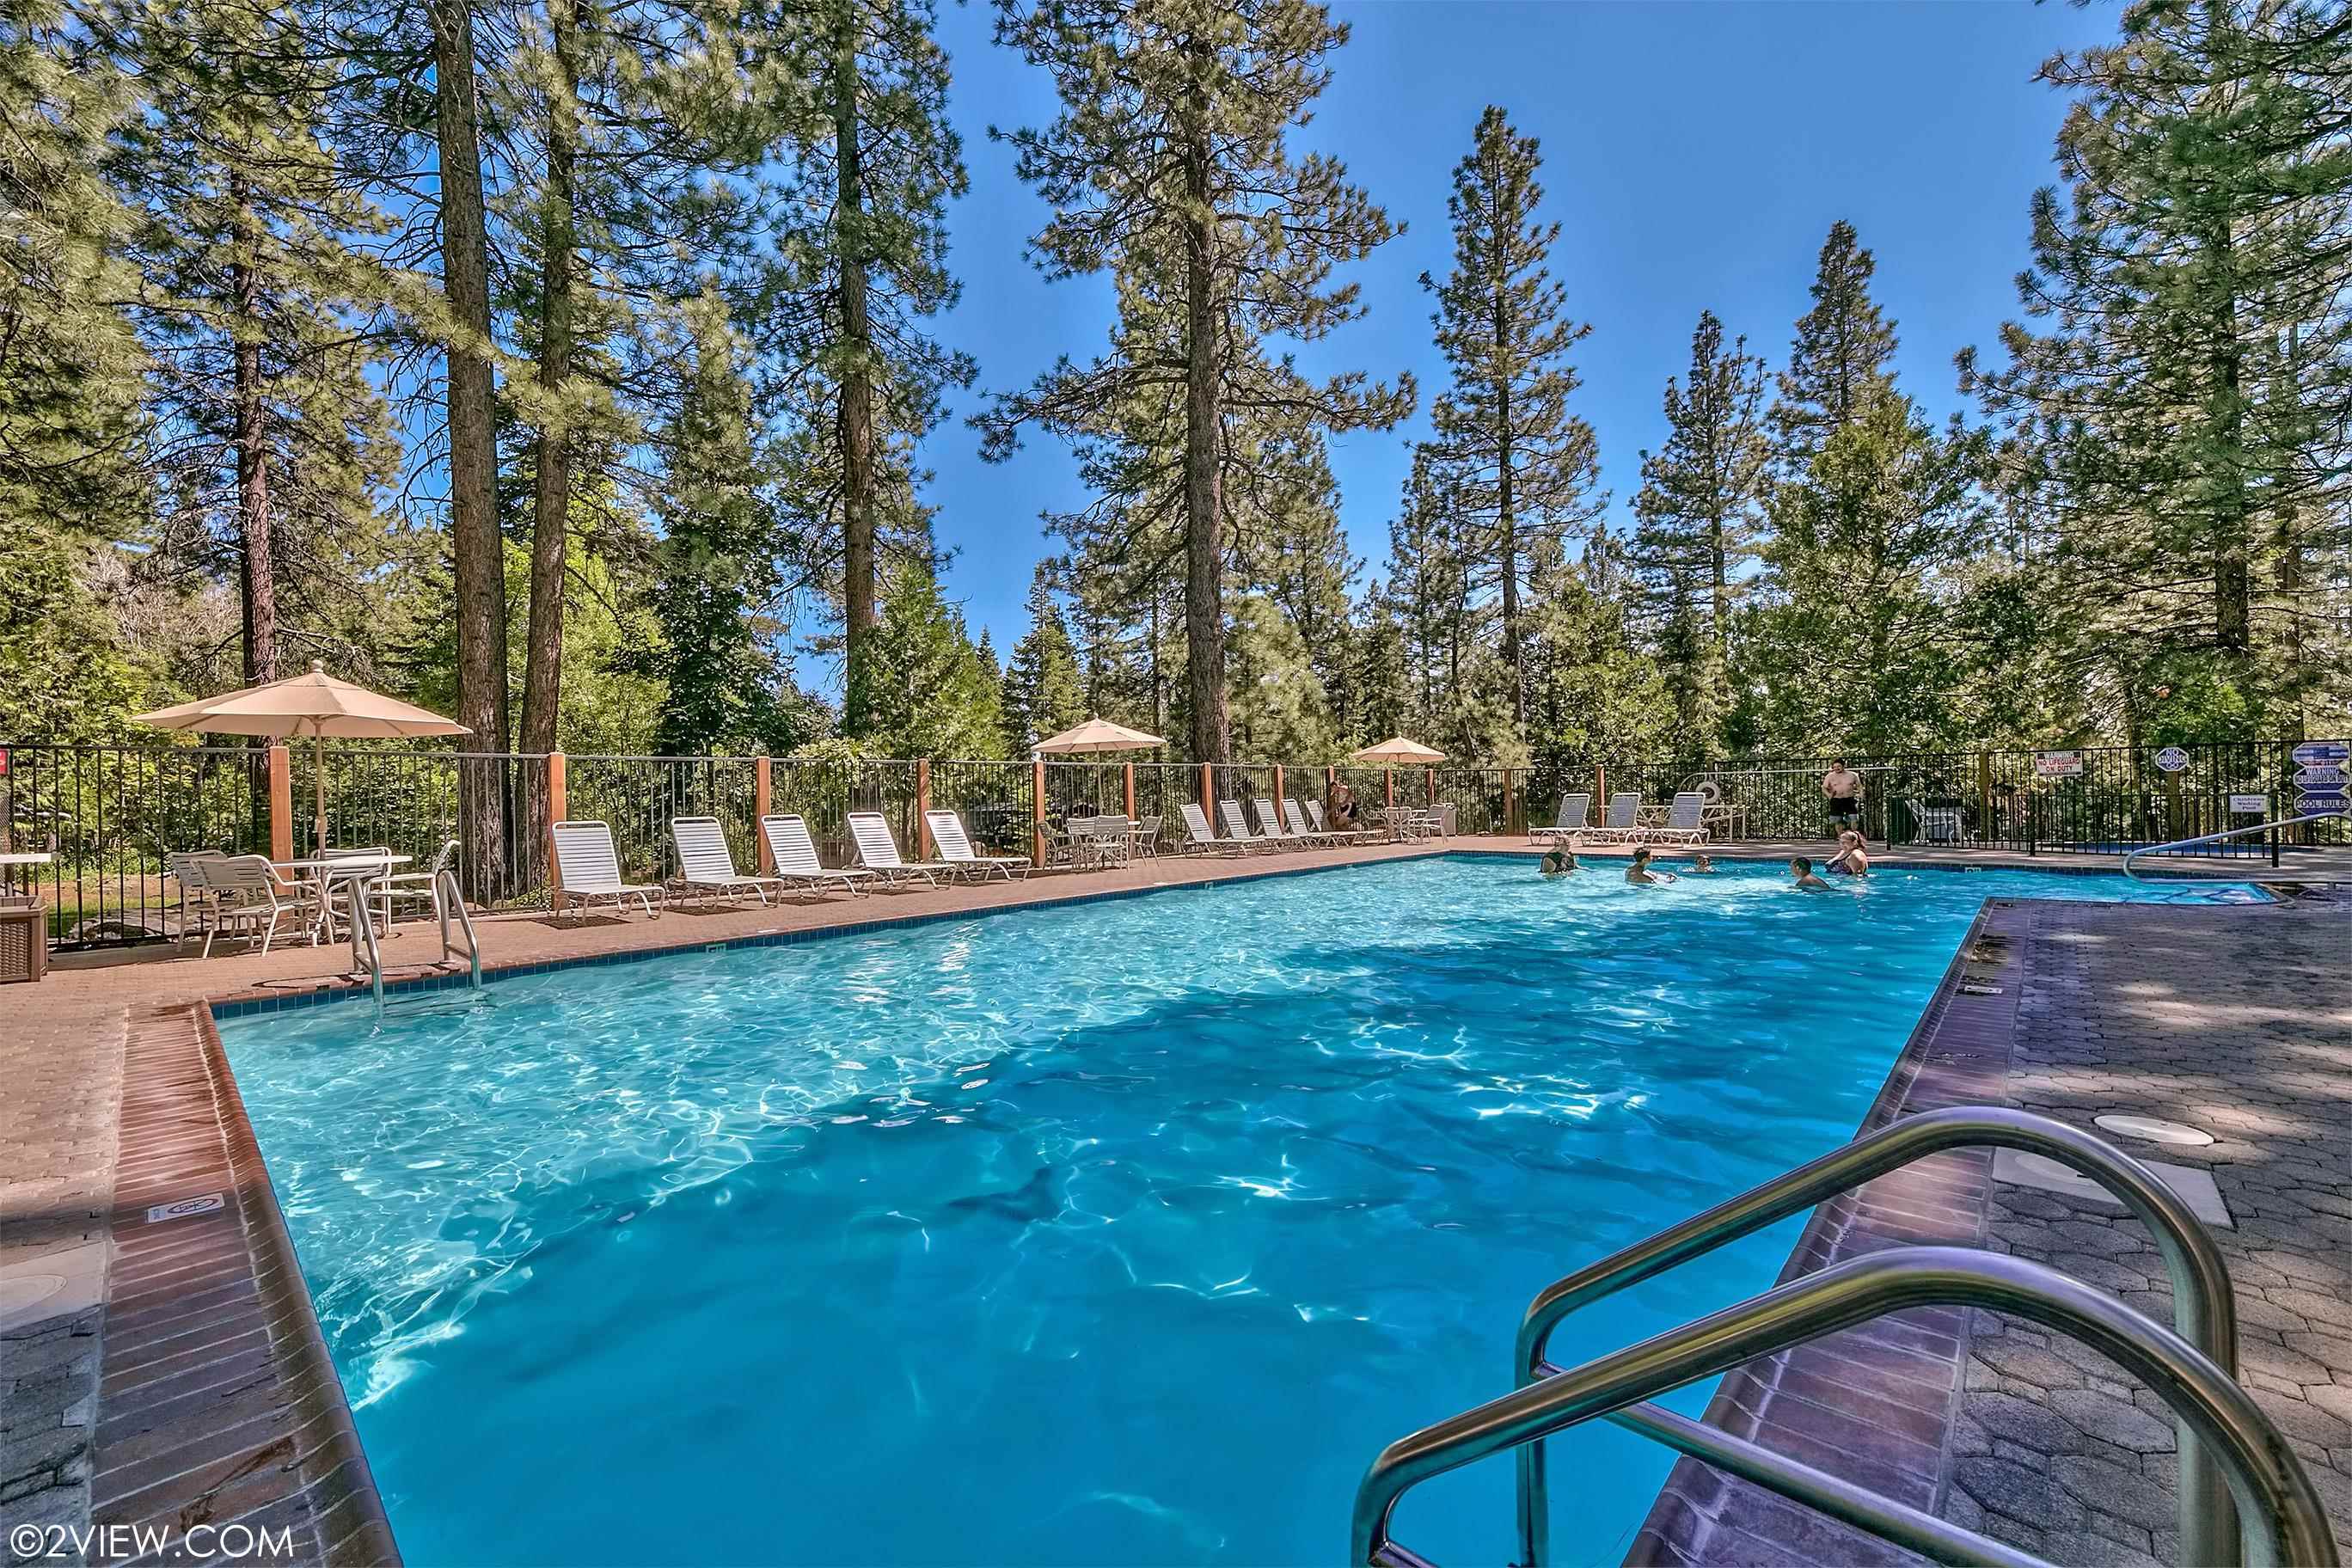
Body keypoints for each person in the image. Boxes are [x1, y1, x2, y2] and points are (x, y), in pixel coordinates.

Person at [1821, 759, 1864, 838]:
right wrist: (1829, 795)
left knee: (1854, 818)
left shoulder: (1852, 775)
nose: (1836, 768)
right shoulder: (1830, 776)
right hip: (1836, 799)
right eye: (1834, 767)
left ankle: (1854, 836)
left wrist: (1861, 793)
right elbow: (1824, 788)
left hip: (1849, 799)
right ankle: (1841, 837)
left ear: (1844, 766)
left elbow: (1859, 785)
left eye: (1839, 766)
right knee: (1838, 820)